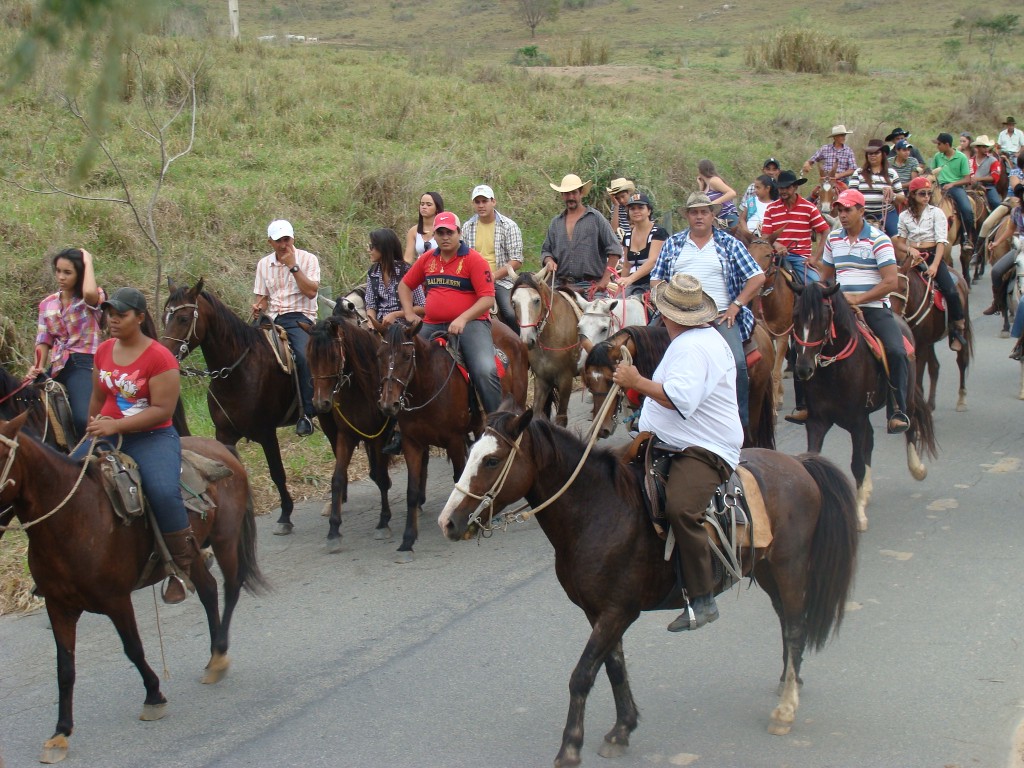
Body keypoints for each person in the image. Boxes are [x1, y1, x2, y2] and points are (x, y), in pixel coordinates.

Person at [612, 273, 742, 632]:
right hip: (670, 439)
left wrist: (636, 382)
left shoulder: (693, 346)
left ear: (667, 315)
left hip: (704, 446)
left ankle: (703, 598)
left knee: (681, 508)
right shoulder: (689, 339)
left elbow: (679, 399)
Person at [81, 287, 195, 604]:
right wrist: (92, 426)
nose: (113, 320)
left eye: (121, 315)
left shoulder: (160, 358)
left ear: (140, 318)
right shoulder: (103, 351)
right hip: (105, 433)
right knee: (64, 479)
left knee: (161, 490)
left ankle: (181, 566)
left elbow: (162, 410)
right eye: (110, 314)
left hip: (152, 436)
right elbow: (98, 397)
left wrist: (115, 424)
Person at [649, 192, 765, 427]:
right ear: (688, 216)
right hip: (677, 316)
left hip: (720, 316)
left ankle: (739, 423)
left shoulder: (729, 244)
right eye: (694, 212)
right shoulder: (673, 243)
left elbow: (757, 277)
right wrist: (664, 305)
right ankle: (645, 415)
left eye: (704, 212)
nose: (699, 216)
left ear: (713, 215)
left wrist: (736, 305)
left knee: (738, 364)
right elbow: (656, 279)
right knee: (645, 350)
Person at [820, 189, 911, 434]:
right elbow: (825, 276)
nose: (843, 214)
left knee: (895, 350)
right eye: (840, 210)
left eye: (848, 209)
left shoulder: (879, 239)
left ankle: (898, 409)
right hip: (839, 308)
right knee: (805, 343)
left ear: (861, 211)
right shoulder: (834, 239)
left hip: (873, 308)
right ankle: (808, 403)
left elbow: (890, 282)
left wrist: (859, 299)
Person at [398, 212, 501, 414]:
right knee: (401, 360)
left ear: (459, 233)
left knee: (484, 369)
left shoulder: (474, 260)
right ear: (434, 235)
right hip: (431, 323)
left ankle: (498, 421)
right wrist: (409, 313)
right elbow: (405, 285)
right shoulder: (428, 259)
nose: (445, 237)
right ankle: (400, 425)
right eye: (440, 232)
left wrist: (463, 318)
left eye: (449, 232)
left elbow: (487, 298)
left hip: (472, 323)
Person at [252, 219, 320, 436]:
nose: (283, 245)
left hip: (299, 316)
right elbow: (262, 298)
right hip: (272, 317)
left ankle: (307, 413)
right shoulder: (264, 264)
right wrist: (258, 307)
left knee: (303, 355)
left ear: (293, 238)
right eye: (278, 240)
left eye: (286, 239)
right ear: (270, 242)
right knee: (246, 350)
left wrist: (293, 266)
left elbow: (311, 292)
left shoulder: (308, 259)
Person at [29, 247, 105, 440]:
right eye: (58, 271)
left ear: (80, 273)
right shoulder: (47, 304)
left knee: (83, 418)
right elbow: (43, 340)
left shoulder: (90, 298)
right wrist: (37, 368)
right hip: (57, 367)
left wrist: (87, 260)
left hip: (85, 364)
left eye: (68, 272)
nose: (61, 277)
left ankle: (98, 455)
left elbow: (89, 292)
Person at [894, 177, 967, 351]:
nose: (926, 197)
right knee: (895, 286)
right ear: (912, 195)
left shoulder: (936, 213)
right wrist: (909, 249)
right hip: (913, 257)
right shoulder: (904, 216)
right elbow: (900, 242)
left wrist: (934, 265)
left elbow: (941, 242)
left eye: (928, 193)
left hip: (933, 254)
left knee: (950, 290)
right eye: (922, 194)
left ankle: (957, 328)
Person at [541, 173, 622, 297]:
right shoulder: (556, 223)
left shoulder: (595, 218)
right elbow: (546, 250)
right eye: (567, 194)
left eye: (574, 193)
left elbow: (615, 250)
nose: (571, 197)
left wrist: (605, 280)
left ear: (581, 193)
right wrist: (549, 260)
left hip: (591, 286)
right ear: (562, 196)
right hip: (561, 286)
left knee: (599, 315)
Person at [461, 184, 524, 333]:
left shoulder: (509, 226)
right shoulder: (467, 227)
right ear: (473, 204)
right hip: (472, 281)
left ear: (493, 202)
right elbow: (462, 257)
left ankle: (522, 345)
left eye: (485, 201)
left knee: (509, 312)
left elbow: (516, 260)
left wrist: (493, 276)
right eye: (477, 202)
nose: (481, 205)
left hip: (500, 281)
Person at [760, 170, 831, 284]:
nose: (783, 191)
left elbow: (825, 231)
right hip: (774, 256)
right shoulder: (771, 209)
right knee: (751, 283)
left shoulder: (809, 208)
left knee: (817, 286)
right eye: (780, 188)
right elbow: (765, 236)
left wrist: (815, 257)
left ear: (795, 187)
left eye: (787, 187)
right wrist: (776, 245)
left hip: (800, 258)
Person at [364, 228, 425, 327]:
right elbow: (371, 305)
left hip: (403, 326)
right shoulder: (373, 272)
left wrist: (395, 314)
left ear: (382, 248)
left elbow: (422, 306)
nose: (368, 250)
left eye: (371, 247)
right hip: (380, 324)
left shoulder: (406, 271)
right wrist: (371, 321)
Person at [928, 132, 976, 255]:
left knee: (966, 209)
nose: (937, 146)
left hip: (955, 187)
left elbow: (967, 179)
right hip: (938, 187)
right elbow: (932, 173)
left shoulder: (961, 157)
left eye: (939, 144)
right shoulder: (938, 156)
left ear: (947, 144)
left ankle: (966, 237)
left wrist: (952, 184)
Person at [983, 183, 1024, 318]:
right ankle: (998, 302)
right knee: (996, 271)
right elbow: (1011, 230)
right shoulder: (1016, 211)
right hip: (1020, 248)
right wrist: (996, 242)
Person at [848, 138, 904, 236]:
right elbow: (851, 196)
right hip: (863, 213)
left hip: (887, 213)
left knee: (897, 237)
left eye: (876, 153)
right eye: (870, 153)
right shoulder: (858, 173)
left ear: (883, 154)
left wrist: (892, 195)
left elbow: (902, 198)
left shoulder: (891, 173)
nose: (873, 155)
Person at [617, 193, 668, 298]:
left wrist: (630, 279)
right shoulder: (627, 237)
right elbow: (626, 266)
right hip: (633, 286)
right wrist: (619, 291)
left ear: (648, 211)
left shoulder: (658, 233)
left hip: (654, 286)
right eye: (632, 208)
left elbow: (653, 261)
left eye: (640, 208)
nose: (636, 211)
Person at [403, 192, 444, 264]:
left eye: (429, 205)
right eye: (422, 204)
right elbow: (407, 259)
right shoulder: (413, 231)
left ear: (437, 208)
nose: (424, 207)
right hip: (420, 270)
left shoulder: (444, 229)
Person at [696, 159, 739, 228]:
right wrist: (701, 188)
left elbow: (732, 193)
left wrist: (713, 203)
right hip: (717, 220)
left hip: (727, 216)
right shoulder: (706, 187)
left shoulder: (714, 181)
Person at [737, 174, 778, 238]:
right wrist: (746, 231)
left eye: (758, 187)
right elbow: (742, 219)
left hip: (765, 237)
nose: (755, 190)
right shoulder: (751, 201)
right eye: (755, 187)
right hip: (749, 235)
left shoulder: (774, 205)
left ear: (767, 188)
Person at [970, 136, 1002, 211]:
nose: (986, 149)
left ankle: (996, 221)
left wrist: (978, 179)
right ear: (977, 147)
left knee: (996, 203)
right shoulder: (970, 161)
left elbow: (995, 177)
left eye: (987, 147)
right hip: (972, 186)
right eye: (984, 147)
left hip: (988, 187)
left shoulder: (993, 160)